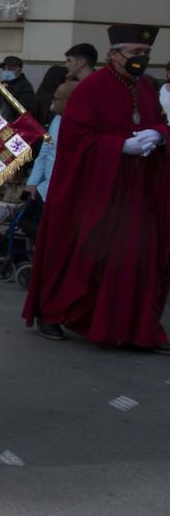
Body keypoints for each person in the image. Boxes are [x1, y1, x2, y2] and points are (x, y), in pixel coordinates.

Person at [23, 25, 170, 351]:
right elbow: (74, 139)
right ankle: (53, 313)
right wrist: (119, 146)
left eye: (146, 53)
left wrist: (159, 135)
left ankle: (131, 328)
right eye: (135, 52)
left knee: (134, 259)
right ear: (114, 54)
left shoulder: (147, 87)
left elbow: (160, 120)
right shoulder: (91, 89)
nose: (142, 59)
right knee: (81, 253)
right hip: (94, 191)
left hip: (136, 192)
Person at [25, 79, 77, 205]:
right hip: (45, 190)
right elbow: (45, 151)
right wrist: (32, 182)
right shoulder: (55, 121)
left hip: (70, 196)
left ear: (69, 100)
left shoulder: (83, 126)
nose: (52, 103)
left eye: (56, 99)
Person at [0, 54, 37, 122]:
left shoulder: (26, 87)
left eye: (10, 69)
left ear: (19, 69)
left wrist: (7, 92)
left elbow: (23, 108)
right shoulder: (2, 83)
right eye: (4, 69)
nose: (6, 71)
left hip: (13, 124)